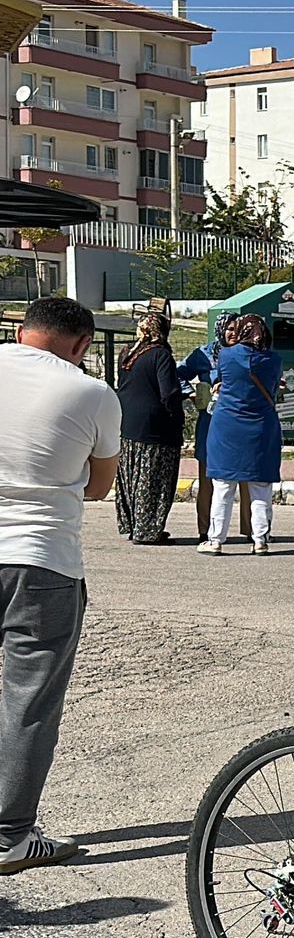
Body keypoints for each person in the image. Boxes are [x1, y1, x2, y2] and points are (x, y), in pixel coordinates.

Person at [0, 296, 118, 874]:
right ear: (80, 344)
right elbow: (99, 487)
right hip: (42, 561)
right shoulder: (91, 392)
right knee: (29, 701)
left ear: (22, 331)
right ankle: (9, 838)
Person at [198, 314, 283, 556]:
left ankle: (215, 540)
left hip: (228, 427)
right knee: (260, 487)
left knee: (223, 486)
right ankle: (260, 539)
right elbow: (274, 388)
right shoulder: (274, 360)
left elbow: (224, 380)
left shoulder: (226, 355)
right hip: (262, 427)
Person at [114, 313, 183, 546]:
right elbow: (169, 393)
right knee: (153, 478)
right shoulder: (161, 355)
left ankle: (134, 525)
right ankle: (148, 529)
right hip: (155, 427)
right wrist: (177, 415)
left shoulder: (127, 354)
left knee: (132, 475)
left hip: (127, 422)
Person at [181, 314, 249, 542]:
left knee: (246, 477)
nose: (234, 333)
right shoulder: (204, 354)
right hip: (210, 422)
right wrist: (191, 393)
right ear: (220, 329)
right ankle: (206, 530)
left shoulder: (247, 353)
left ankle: (252, 530)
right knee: (208, 477)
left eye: (238, 329)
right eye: (230, 328)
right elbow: (177, 373)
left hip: (240, 421)